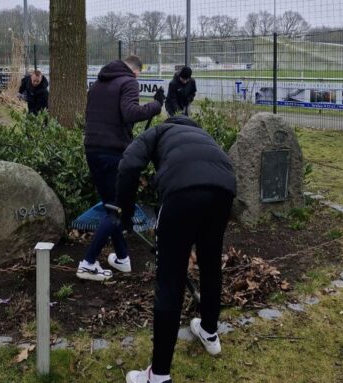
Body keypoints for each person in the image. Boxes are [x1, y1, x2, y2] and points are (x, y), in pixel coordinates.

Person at [115, 115, 236, 383]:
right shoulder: (204, 137)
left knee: (169, 282)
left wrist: (124, 215)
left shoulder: (158, 131)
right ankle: (209, 332)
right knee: (210, 264)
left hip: (181, 192)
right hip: (224, 189)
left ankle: (158, 376)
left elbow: (128, 165)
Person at [76, 55, 164, 281]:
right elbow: (131, 113)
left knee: (110, 206)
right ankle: (88, 263)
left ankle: (123, 258)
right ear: (135, 71)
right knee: (117, 208)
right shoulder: (129, 82)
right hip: (114, 152)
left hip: (92, 149)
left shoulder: (97, 84)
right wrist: (156, 105)